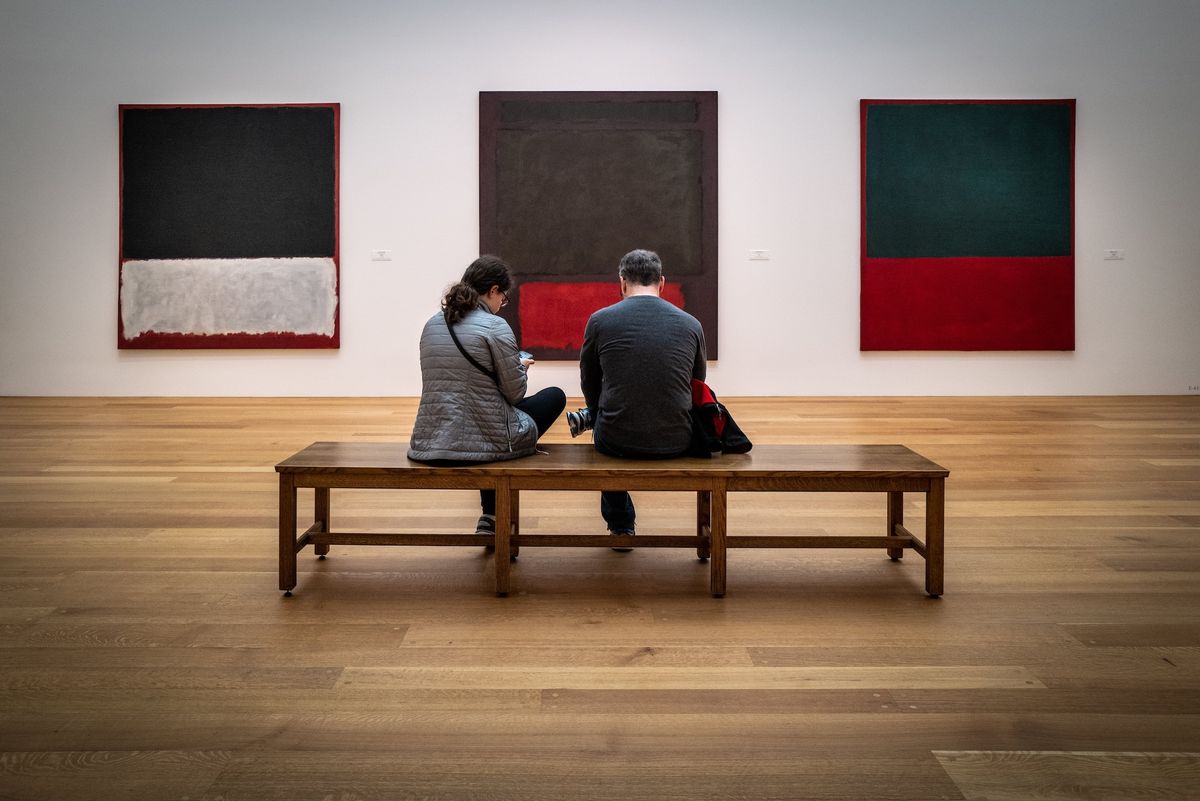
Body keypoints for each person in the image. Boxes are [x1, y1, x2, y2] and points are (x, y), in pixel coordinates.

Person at [408, 255, 566, 536]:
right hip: (482, 440)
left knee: (484, 415)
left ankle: (490, 516)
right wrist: (520, 367)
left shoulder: (432, 324)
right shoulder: (495, 326)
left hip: (430, 439)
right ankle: (493, 516)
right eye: (503, 298)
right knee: (554, 396)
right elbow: (515, 393)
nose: (501, 304)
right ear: (493, 290)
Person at [575, 249, 708, 549]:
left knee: (606, 428)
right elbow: (697, 382)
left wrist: (596, 412)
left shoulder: (600, 321)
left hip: (616, 441)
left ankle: (620, 525)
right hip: (677, 438)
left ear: (622, 283)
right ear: (661, 283)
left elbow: (589, 379)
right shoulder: (691, 324)